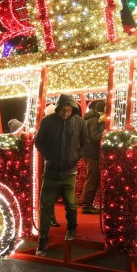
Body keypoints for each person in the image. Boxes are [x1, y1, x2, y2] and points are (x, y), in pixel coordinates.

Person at [34, 94, 90, 256]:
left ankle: (72, 228)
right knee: (45, 206)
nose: (66, 113)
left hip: (69, 171)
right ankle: (43, 239)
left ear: (73, 109)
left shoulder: (80, 122)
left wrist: (76, 156)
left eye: (69, 110)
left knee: (71, 204)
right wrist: (48, 155)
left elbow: (86, 143)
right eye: (63, 110)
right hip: (51, 171)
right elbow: (39, 142)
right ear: (58, 109)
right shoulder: (48, 122)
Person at [81, 100, 106, 214]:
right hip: (91, 153)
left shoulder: (90, 118)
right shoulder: (94, 120)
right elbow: (94, 137)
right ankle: (86, 206)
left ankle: (88, 205)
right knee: (92, 180)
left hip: (89, 153)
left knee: (93, 179)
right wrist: (105, 133)